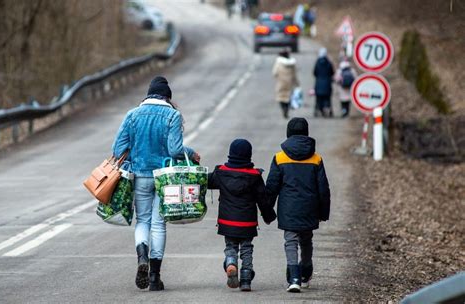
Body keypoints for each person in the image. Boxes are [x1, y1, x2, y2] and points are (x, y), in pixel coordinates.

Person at [112, 76, 201, 291]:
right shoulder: (172, 115)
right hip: (165, 178)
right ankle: (154, 277)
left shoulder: (132, 115)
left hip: (140, 175)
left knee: (142, 220)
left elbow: (117, 150)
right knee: (159, 224)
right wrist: (191, 153)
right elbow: (175, 151)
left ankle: (142, 257)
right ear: (167, 97)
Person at [265, 117, 331, 292]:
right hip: (310, 207)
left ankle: (294, 277)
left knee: (291, 241)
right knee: (306, 239)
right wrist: (324, 212)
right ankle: (306, 269)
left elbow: (272, 187)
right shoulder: (316, 159)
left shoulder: (280, 157)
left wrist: (267, 209)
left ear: (288, 133)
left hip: (289, 208)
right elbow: (323, 188)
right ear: (306, 133)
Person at [208, 139, 276, 292]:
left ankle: (231, 262)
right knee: (247, 248)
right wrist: (269, 216)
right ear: (249, 155)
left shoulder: (221, 172)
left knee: (230, 246)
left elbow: (205, 181)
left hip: (227, 221)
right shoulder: (254, 176)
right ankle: (245, 279)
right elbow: (263, 200)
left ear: (230, 154)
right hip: (247, 223)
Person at [272, 50, 300, 119]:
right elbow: (294, 75)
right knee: (288, 97)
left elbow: (274, 73)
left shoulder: (278, 63)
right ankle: (286, 109)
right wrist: (297, 84)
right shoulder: (292, 64)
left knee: (281, 97)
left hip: (281, 83)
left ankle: (283, 109)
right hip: (290, 83)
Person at [313, 48, 334, 117]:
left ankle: (319, 110)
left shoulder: (317, 62)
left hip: (318, 84)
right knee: (327, 98)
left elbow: (314, 72)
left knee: (319, 99)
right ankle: (327, 109)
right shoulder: (328, 62)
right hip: (327, 84)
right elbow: (332, 72)